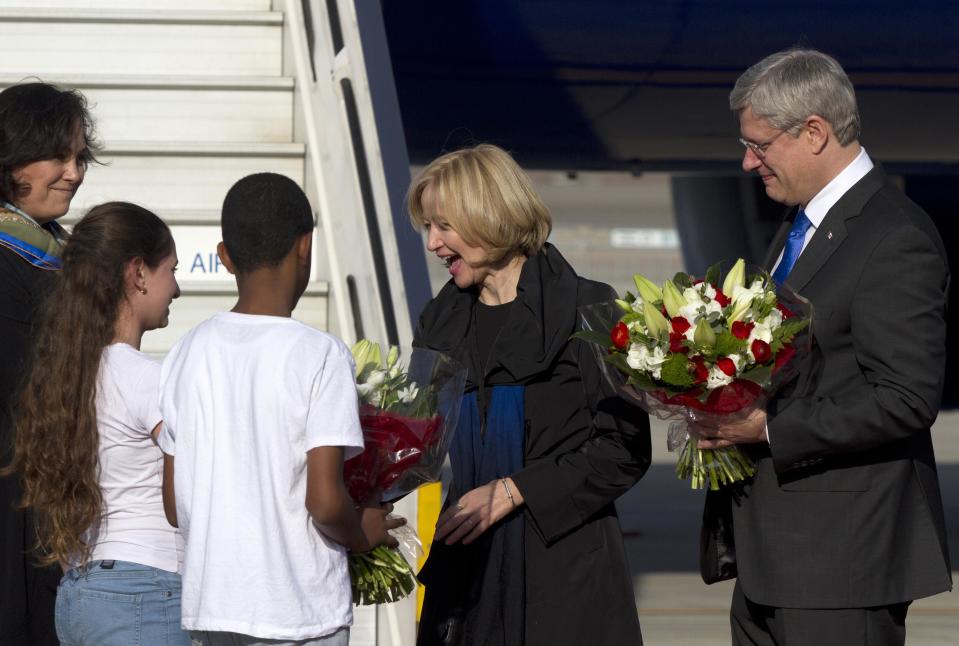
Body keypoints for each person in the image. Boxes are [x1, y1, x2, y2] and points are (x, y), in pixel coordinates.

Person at [695, 48, 952, 645]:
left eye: (759, 145)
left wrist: (763, 428)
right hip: (774, 560)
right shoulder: (800, 227)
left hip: (842, 563)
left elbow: (906, 398)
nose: (747, 162)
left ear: (814, 132)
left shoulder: (894, 237)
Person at [409, 144, 652, 646]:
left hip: (564, 579)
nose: (432, 243)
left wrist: (514, 490)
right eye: (427, 228)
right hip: (465, 580)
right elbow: (419, 439)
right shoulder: (440, 321)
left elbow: (623, 450)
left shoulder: (589, 308)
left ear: (488, 215)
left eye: (442, 225)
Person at [157, 172, 403, 646]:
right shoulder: (320, 354)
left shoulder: (186, 351)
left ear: (225, 256)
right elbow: (325, 502)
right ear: (305, 245)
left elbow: (173, 505)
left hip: (213, 611)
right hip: (299, 614)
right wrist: (362, 534)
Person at [2, 201, 187, 645]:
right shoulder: (148, 379)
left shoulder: (62, 379)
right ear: (138, 273)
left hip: (80, 593)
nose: (177, 289)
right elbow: (189, 491)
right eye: (171, 270)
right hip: (147, 587)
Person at [0, 81, 97, 645]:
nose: (74, 171)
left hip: (47, 506)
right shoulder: (10, 261)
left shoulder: (60, 254)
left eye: (80, 156)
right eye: (57, 155)